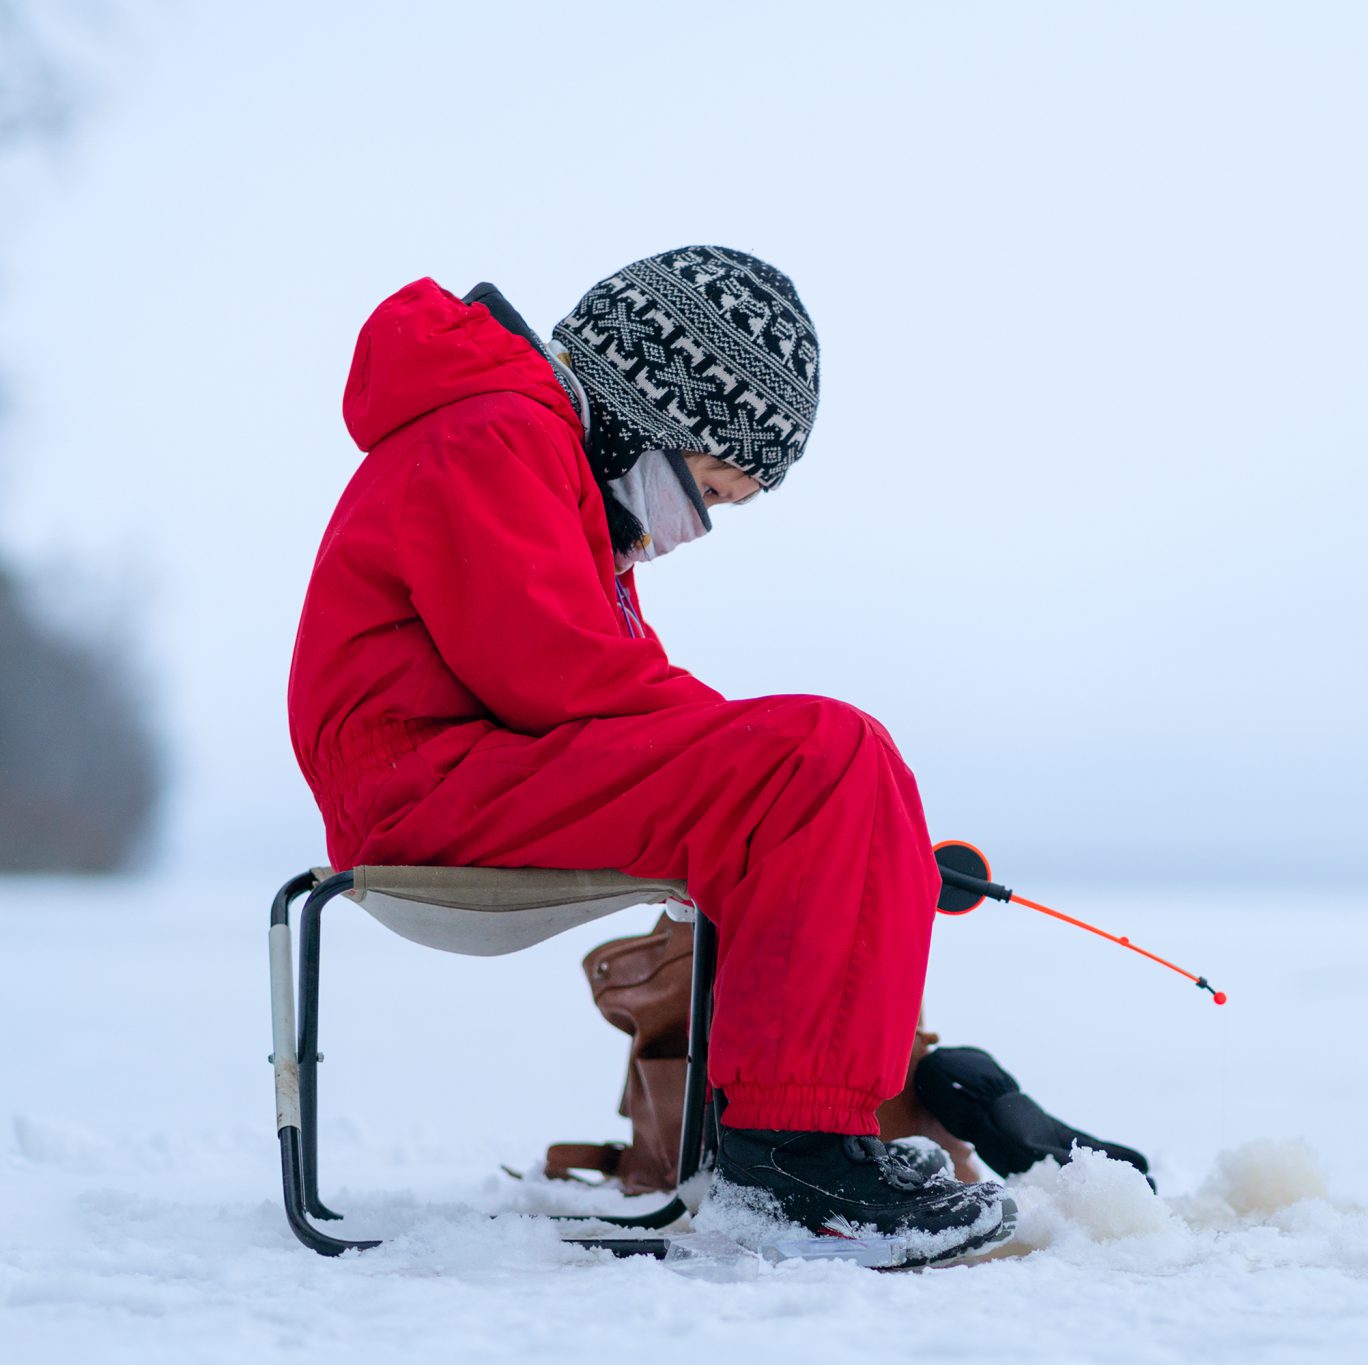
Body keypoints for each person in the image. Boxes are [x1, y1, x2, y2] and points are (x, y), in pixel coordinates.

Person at [288, 246, 1023, 1263]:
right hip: (428, 782)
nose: (699, 528)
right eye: (713, 492)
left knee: (818, 762)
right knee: (820, 751)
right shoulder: (496, 438)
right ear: (654, 416)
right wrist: (793, 791)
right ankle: (795, 1157)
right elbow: (563, 679)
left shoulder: (545, 462)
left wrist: (848, 840)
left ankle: (797, 1134)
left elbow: (621, 705)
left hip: (469, 773)